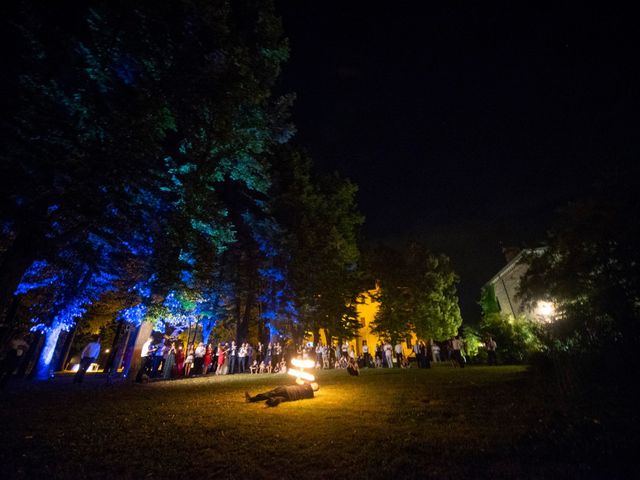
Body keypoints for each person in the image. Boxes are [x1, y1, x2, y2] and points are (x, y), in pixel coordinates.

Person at [245, 382, 319, 407]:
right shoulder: (311, 395)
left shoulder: (307, 385)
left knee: (270, 394)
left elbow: (298, 380)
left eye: (314, 383)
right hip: (291, 398)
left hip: (287, 390)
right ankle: (270, 403)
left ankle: (252, 399)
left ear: (314, 386)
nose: (312, 383)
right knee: (279, 398)